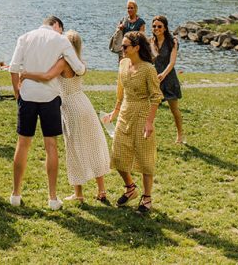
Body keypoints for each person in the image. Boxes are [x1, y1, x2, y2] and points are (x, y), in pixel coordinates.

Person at [20, 30, 111, 203]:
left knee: (74, 148)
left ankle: (78, 194)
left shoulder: (63, 62)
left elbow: (47, 77)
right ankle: (101, 190)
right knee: (93, 145)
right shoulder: (79, 63)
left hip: (71, 107)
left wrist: (26, 74)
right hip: (84, 103)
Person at [8, 15, 86, 210]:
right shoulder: (60, 40)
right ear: (57, 25)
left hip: (27, 95)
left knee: (23, 143)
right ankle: (52, 198)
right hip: (50, 97)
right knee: (51, 145)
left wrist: (17, 92)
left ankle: (15, 194)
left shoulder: (25, 37)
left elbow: (13, 68)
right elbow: (80, 68)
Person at [106, 32, 163, 213]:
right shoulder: (122, 64)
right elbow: (120, 91)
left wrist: (149, 122)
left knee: (145, 158)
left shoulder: (148, 69)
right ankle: (130, 187)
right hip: (125, 113)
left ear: (136, 48)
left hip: (141, 114)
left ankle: (146, 197)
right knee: (117, 154)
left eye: (125, 46)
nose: (121, 49)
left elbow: (156, 97)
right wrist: (114, 112)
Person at [150, 15, 184, 144]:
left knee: (174, 109)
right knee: (150, 109)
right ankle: (147, 134)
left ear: (165, 28)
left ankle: (180, 135)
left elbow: (172, 62)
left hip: (169, 79)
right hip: (155, 80)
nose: (156, 28)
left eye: (159, 26)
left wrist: (163, 74)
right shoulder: (150, 42)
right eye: (154, 26)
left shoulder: (172, 42)